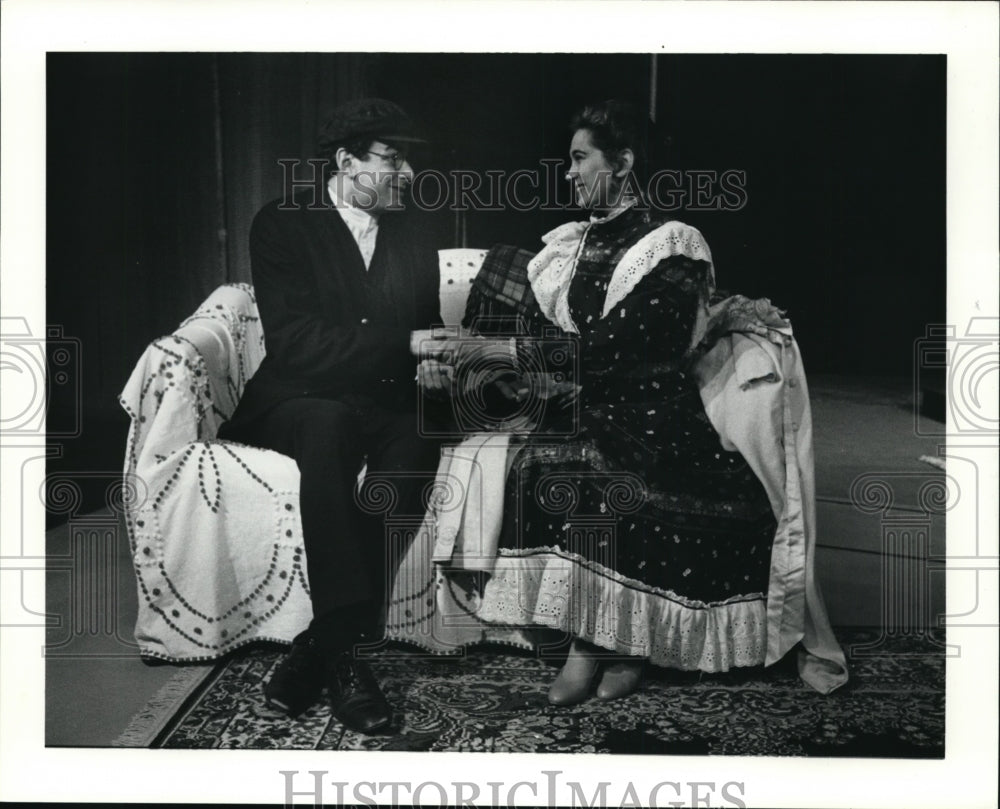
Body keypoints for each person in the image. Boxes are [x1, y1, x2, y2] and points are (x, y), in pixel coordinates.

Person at [417, 99, 798, 705]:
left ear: (621, 162)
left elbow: (615, 346)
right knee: (542, 459)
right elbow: (556, 333)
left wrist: (507, 349)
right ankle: (610, 644)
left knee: (603, 467)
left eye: (579, 158)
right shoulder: (570, 246)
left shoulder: (672, 243)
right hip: (582, 399)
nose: (568, 173)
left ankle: (600, 648)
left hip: (655, 408)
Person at [218, 98, 449, 733]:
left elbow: (422, 321)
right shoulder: (281, 224)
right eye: (393, 159)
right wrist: (406, 347)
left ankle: (320, 645)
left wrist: (429, 359)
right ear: (347, 162)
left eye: (409, 160)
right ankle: (350, 660)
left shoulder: (415, 230)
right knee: (329, 426)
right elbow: (298, 345)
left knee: (418, 442)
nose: (406, 173)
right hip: (298, 397)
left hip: (384, 397)